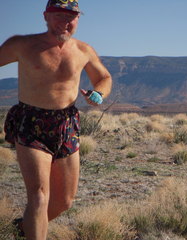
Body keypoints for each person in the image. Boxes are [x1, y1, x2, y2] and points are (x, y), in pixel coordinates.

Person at [0, 0, 112, 239]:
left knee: (64, 201)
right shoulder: (22, 45)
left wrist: (98, 94)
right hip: (31, 122)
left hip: (67, 123)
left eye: (71, 17)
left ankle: (24, 228)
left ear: (78, 19)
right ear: (45, 16)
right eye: (59, 15)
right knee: (39, 196)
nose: (65, 22)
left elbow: (103, 77)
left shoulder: (83, 50)